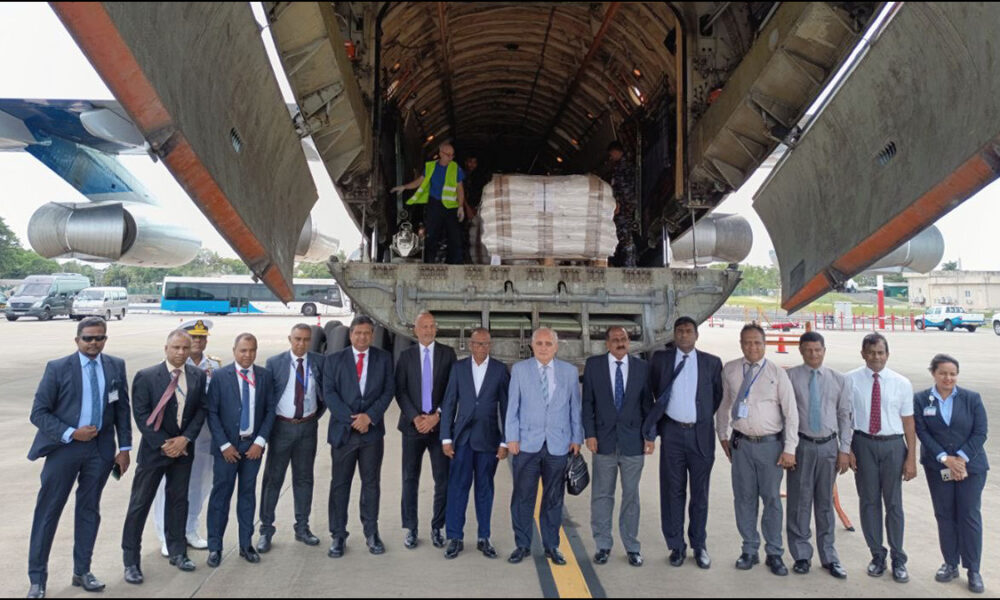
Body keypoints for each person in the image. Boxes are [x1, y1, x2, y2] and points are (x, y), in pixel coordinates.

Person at [26, 317, 132, 599]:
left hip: (100, 451)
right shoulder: (58, 368)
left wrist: (125, 448)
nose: (94, 343)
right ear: (77, 340)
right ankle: (37, 579)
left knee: (89, 511)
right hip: (64, 450)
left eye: (99, 338)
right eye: (88, 338)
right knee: (48, 512)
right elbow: (38, 413)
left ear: (105, 339)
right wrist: (72, 433)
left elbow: (122, 409)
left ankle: (82, 571)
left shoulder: (115, 366)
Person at [121, 329, 207, 584]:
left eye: (185, 348)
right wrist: (164, 444)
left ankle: (178, 552)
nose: (181, 352)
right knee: (140, 504)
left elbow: (201, 410)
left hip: (183, 451)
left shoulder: (197, 375)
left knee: (179, 502)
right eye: (175, 348)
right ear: (166, 348)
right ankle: (131, 561)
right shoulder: (147, 376)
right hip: (153, 452)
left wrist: (185, 439)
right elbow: (141, 414)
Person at [716, 323, 798, 576]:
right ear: (741, 344)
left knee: (772, 500)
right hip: (741, 445)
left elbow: (791, 412)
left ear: (765, 344)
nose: (752, 347)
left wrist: (790, 448)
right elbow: (723, 405)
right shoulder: (730, 370)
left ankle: (774, 552)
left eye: (757, 343)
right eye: (747, 342)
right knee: (744, 499)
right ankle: (749, 549)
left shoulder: (776, 372)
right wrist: (722, 435)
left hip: (770, 447)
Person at [643, 316, 723, 569]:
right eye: (680, 331)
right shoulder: (661, 360)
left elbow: (716, 396)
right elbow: (653, 391)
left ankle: (699, 546)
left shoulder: (711, 363)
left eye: (689, 331)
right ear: (674, 335)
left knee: (700, 494)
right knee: (672, 492)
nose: (684, 335)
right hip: (673, 435)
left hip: (700, 436)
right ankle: (676, 546)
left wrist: (698, 418)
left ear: (696, 335)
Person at [506, 327, 583, 566]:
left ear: (556, 347)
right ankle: (522, 544)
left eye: (548, 344)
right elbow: (513, 406)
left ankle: (552, 546)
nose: (543, 347)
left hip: (558, 444)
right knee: (522, 497)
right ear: (532, 345)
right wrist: (512, 437)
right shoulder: (520, 370)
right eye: (539, 343)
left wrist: (576, 437)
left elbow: (574, 408)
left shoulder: (569, 372)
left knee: (553, 498)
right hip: (527, 443)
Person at [845, 333, 916, 583]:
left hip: (893, 446)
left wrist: (911, 458)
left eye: (881, 352)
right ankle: (877, 555)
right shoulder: (849, 381)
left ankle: (898, 558)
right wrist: (848, 449)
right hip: (863, 444)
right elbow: (845, 418)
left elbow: (908, 422)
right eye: (871, 352)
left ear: (888, 354)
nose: (876, 357)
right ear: (863, 353)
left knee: (894, 504)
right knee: (869, 502)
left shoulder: (901, 383)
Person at [913, 354, 988, 594]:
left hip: (971, 467)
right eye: (943, 373)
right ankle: (950, 564)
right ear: (933, 373)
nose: (948, 378)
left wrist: (961, 460)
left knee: (969, 516)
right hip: (938, 467)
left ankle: (973, 569)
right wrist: (945, 459)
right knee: (945, 516)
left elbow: (981, 432)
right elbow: (922, 432)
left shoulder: (971, 399)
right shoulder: (922, 399)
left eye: (953, 373)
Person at [323, 315, 395, 558]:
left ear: (372, 335)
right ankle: (338, 535)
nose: (362, 337)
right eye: (358, 333)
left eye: (366, 333)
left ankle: (371, 533)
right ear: (350, 335)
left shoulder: (384, 359)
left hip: (371, 434)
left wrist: (370, 417)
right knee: (340, 485)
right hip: (344, 434)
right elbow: (329, 393)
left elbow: (388, 391)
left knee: (371, 485)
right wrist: (352, 420)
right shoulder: (334, 360)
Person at [582, 326, 653, 567]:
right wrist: (589, 434)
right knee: (602, 495)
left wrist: (649, 436)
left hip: (633, 443)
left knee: (631, 496)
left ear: (629, 341)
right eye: (615, 339)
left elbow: (647, 405)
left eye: (623, 339)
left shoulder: (642, 368)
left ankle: (632, 546)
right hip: (603, 441)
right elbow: (588, 403)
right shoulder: (594, 365)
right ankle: (603, 545)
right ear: (607, 343)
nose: (620, 343)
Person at [784, 331, 853, 579]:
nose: (813, 354)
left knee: (825, 503)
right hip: (801, 445)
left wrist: (844, 449)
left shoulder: (839, 379)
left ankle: (829, 557)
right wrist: (788, 449)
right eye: (808, 350)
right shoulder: (790, 377)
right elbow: (786, 415)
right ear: (801, 351)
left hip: (828, 447)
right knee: (799, 502)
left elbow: (845, 416)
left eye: (818, 350)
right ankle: (801, 555)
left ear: (824, 350)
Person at [205, 333, 277, 568]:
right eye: (243, 350)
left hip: (252, 448)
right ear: (234, 350)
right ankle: (215, 547)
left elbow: (269, 411)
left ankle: (246, 544)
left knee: (247, 496)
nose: (248, 355)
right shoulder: (219, 376)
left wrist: (260, 441)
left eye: (252, 350)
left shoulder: (264, 376)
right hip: (227, 448)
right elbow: (212, 413)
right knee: (220, 497)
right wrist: (224, 445)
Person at [152, 318, 220, 557]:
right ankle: (166, 534)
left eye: (202, 337)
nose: (198, 342)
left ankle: (190, 529)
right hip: (176, 437)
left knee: (199, 485)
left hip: (203, 438)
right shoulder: (172, 365)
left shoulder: (214, 367)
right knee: (168, 488)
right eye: (194, 337)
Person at [439, 327, 509, 559]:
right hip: (462, 440)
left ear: (491, 346)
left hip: (488, 440)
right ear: (470, 345)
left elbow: (507, 408)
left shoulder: (500, 370)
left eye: (486, 344)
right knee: (457, 488)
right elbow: (449, 403)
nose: (481, 348)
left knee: (484, 489)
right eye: (477, 344)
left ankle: (484, 537)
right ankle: (455, 537)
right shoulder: (458, 369)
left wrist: (505, 441)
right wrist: (446, 438)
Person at [256, 324, 326, 553]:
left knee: (304, 479)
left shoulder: (319, 362)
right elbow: (267, 399)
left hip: (307, 428)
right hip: (281, 428)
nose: (301, 344)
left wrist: (312, 416)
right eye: (297, 339)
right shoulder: (274, 363)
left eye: (306, 340)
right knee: (273, 480)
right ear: (289, 338)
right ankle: (266, 530)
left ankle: (302, 527)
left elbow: (323, 395)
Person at [395, 311, 456, 550]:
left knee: (442, 479)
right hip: (412, 427)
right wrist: (415, 417)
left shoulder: (447, 354)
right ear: (415, 330)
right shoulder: (406, 355)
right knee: (410, 478)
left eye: (432, 326)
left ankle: (437, 526)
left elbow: (452, 391)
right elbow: (399, 390)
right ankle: (411, 528)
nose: (428, 330)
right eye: (424, 326)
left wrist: (437, 416)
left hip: (438, 427)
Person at [391, 140, 467, 264]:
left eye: (452, 155)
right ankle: (428, 263)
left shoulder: (455, 168)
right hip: (435, 205)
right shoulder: (430, 166)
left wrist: (460, 207)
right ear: (441, 153)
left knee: (455, 236)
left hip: (451, 207)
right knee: (432, 234)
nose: (451, 158)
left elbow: (460, 188)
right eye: (448, 155)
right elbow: (419, 181)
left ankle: (455, 263)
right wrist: (404, 187)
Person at [605, 140, 638, 267]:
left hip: (625, 208)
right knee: (623, 236)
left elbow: (624, 189)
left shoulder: (624, 167)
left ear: (616, 151)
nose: (611, 157)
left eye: (611, 154)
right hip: (624, 207)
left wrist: (618, 203)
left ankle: (630, 265)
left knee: (626, 236)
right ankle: (628, 263)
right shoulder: (621, 166)